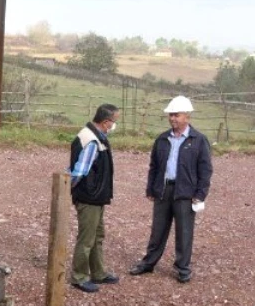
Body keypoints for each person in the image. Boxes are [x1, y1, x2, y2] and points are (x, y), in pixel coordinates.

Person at [129, 95, 213, 283]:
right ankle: (149, 263)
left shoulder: (198, 140)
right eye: (171, 115)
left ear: (187, 116)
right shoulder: (162, 139)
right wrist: (151, 188)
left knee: (184, 231)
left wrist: (200, 194)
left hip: (186, 193)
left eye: (176, 115)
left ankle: (182, 267)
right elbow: (154, 166)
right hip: (163, 190)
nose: (173, 118)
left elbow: (206, 170)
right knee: (157, 230)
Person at [68, 104, 121, 294]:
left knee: (97, 236)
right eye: (114, 121)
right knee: (87, 238)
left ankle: (98, 272)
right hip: (89, 197)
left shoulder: (96, 137)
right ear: (106, 122)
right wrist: (75, 192)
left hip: (96, 196)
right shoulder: (91, 140)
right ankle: (79, 276)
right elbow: (79, 171)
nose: (115, 125)